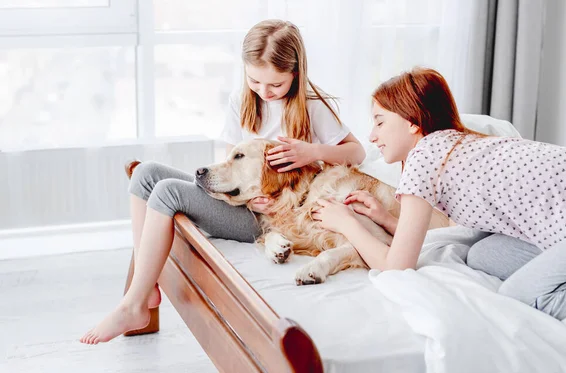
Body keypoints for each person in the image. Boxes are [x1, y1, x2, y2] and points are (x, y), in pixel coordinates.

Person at [80, 19, 365, 344]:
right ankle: (144, 290)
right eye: (254, 80)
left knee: (167, 192)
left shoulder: (311, 107)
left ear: (296, 73)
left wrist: (311, 151)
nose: (264, 91)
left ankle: (132, 304)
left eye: (275, 84)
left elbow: (357, 153)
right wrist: (242, 196)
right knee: (145, 174)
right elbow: (231, 164)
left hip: (270, 216)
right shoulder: (242, 101)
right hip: (244, 202)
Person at [312, 67, 566, 320]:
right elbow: (441, 232)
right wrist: (388, 221)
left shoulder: (424, 158)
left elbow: (396, 267)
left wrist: (345, 223)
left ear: (412, 122)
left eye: (380, 122)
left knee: (522, 296)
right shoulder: (450, 147)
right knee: (482, 254)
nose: (372, 136)